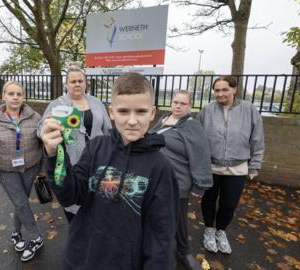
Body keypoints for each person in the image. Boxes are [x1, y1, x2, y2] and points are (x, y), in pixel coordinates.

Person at [40, 72, 178, 269]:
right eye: (123, 111)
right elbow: (70, 195)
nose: (132, 121)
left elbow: (161, 237)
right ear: (111, 112)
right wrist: (54, 155)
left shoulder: (160, 168)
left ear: (152, 113)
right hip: (81, 257)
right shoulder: (97, 146)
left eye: (140, 111)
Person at [0, 81, 44, 262]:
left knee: (21, 203)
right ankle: (36, 237)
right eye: (11, 93)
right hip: (6, 170)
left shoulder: (36, 118)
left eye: (19, 94)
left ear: (24, 97)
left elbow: (43, 144)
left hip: (31, 167)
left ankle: (15, 233)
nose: (15, 97)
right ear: (3, 96)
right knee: (20, 201)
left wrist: (43, 170)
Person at [197, 75, 265, 254]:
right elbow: (197, 139)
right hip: (210, 166)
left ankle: (221, 231)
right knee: (208, 200)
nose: (220, 94)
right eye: (217, 90)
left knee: (229, 204)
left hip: (237, 168)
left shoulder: (249, 110)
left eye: (225, 89)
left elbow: (257, 139)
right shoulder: (207, 110)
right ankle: (209, 230)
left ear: (234, 89)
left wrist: (255, 165)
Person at [37, 62, 112, 222]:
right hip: (72, 160)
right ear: (66, 84)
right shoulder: (57, 104)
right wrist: (48, 129)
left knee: (98, 199)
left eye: (80, 81)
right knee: (75, 208)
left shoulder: (97, 103)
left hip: (98, 161)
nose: (77, 84)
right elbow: (41, 129)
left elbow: (108, 129)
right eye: (73, 81)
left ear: (86, 83)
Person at [149, 90, 212, 270]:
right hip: (156, 179)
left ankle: (184, 252)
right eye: (175, 102)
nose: (177, 106)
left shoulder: (192, 126)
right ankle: (159, 248)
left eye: (182, 103)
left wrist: (201, 184)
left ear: (190, 105)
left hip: (177, 181)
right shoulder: (164, 119)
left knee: (178, 219)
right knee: (157, 215)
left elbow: (201, 155)